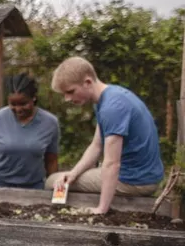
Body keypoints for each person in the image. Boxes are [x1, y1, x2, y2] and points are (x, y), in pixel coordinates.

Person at [45, 57, 164, 214]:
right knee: (65, 178)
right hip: (143, 175)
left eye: (70, 91)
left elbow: (112, 163)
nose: (67, 98)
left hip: (136, 180)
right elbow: (96, 146)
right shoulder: (109, 98)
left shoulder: (112, 108)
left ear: (87, 82)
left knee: (52, 181)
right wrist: (73, 173)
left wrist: (101, 209)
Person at [0, 73, 59, 189]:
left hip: (33, 187)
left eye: (23, 104)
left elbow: (51, 160)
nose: (18, 109)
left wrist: (54, 188)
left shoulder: (50, 123)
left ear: (34, 98)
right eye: (13, 104)